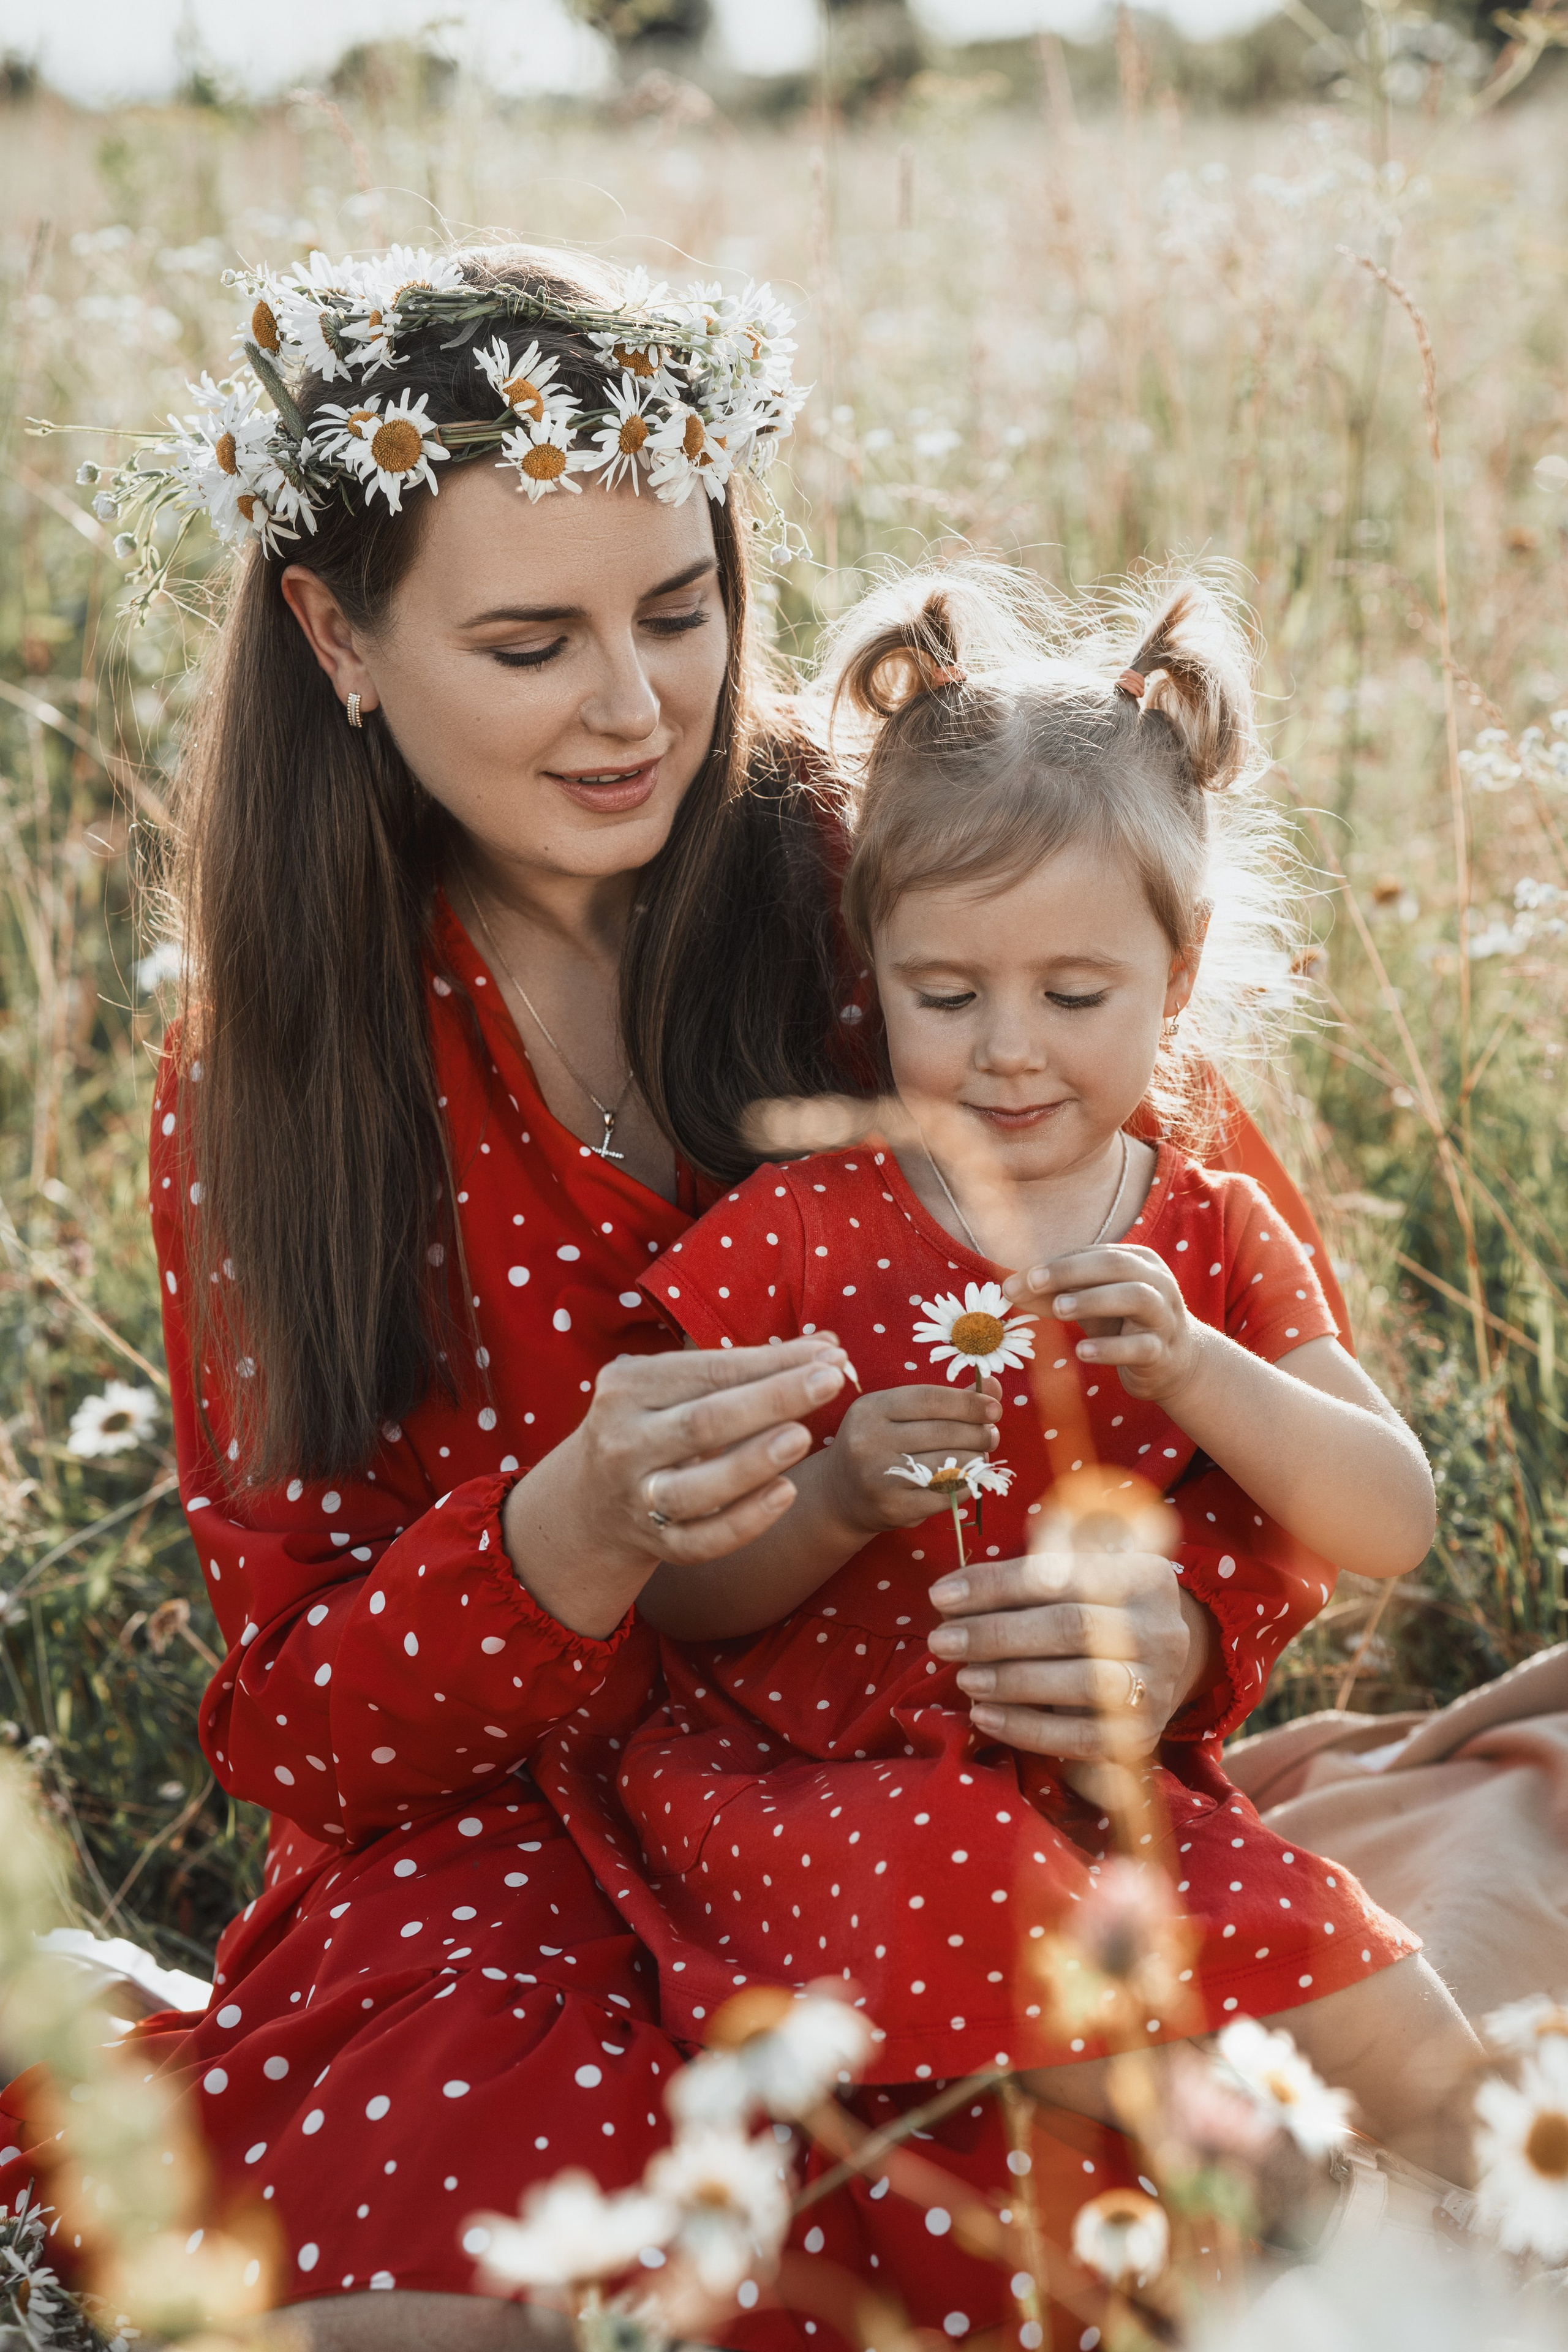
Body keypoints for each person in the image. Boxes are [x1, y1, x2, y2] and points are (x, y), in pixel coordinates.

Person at [0, 245, 1407, 2350]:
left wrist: (1192, 1619)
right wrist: (556, 1540)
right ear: (336, 633)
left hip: (916, 1809)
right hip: (497, 1852)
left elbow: (1235, 1327)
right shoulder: (285, 1069)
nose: (636, 702)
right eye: (527, 638)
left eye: (680, 608)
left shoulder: (917, 890)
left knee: (1055, 2245)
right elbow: (285, 1710)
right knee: (499, 2290)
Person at [620, 561, 1480, 2182]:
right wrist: (832, 1496)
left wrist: (1210, 1373)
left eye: (1074, 996)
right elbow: (675, 1592)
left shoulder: (1205, 1229)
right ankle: (1308, 2222)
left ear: (1182, 965)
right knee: (1133, 2040)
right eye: (947, 996)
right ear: (868, 964)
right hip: (829, 1799)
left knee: (1398, 2020)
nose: (1008, 1048)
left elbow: (1390, 1521)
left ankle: (1510, 2249)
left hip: (1114, 1801)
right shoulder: (801, 1226)